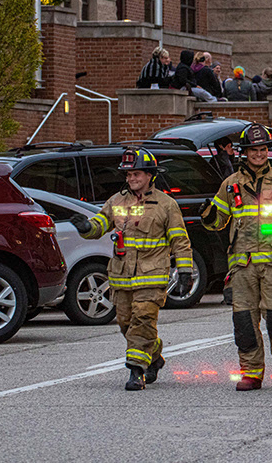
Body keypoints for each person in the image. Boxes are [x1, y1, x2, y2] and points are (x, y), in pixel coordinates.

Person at [69, 148, 193, 391]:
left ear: (149, 175)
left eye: (136, 174)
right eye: (128, 175)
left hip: (152, 275)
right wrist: (86, 227)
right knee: (127, 323)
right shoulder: (116, 201)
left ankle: (136, 371)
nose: (131, 179)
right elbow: (101, 223)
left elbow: (180, 240)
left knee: (144, 319)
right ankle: (154, 356)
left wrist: (185, 271)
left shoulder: (166, 205)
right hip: (122, 277)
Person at [200, 124, 272, 391]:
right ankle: (251, 372)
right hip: (242, 265)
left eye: (262, 149)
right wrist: (208, 214)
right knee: (244, 322)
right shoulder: (231, 184)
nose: (258, 154)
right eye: (253, 150)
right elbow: (218, 222)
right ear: (244, 152)